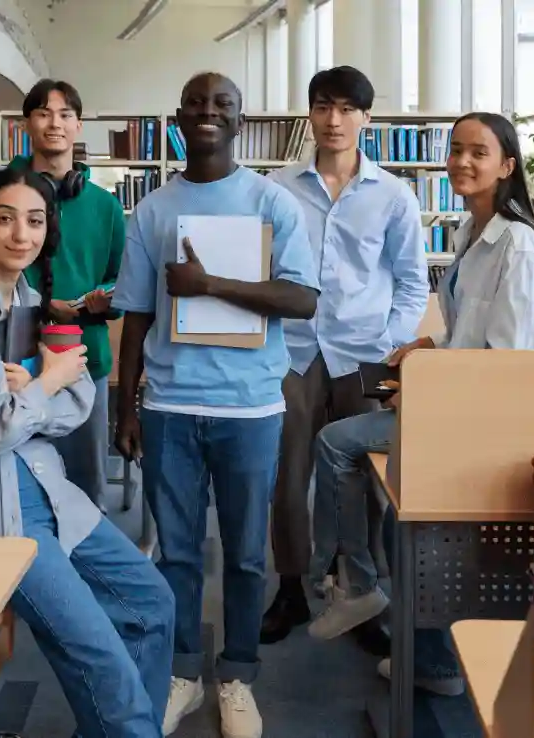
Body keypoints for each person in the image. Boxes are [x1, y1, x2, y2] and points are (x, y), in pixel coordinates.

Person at [0, 167, 174, 738]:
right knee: (99, 657)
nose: (20, 234)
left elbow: (76, 405)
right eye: (4, 218)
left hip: (45, 485)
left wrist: (29, 391)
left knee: (152, 603)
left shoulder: (28, 298)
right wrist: (43, 384)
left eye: (34, 220)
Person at [309, 111, 534, 692]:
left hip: (488, 421)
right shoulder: (474, 232)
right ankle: (432, 652)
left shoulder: (517, 245)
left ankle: (365, 587)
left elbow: (506, 361)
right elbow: (473, 329)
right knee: (403, 502)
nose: (462, 162)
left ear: (508, 165)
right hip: (460, 400)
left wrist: (428, 387)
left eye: (479, 153)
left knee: (338, 445)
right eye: (456, 150)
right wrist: (430, 344)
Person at [113, 72, 320, 738]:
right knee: (173, 552)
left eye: (222, 105)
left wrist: (211, 284)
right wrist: (126, 408)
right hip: (170, 405)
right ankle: (182, 672)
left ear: (239, 120)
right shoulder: (152, 210)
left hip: (251, 409)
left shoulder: (272, 202)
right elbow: (138, 316)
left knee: (245, 554)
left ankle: (237, 674)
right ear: (179, 117)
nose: (209, 112)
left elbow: (303, 300)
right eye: (198, 104)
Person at [260, 65, 428, 646]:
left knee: (366, 479)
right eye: (323, 107)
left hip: (366, 356)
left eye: (346, 109)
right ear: (309, 113)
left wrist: (392, 345)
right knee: (288, 479)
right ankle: (290, 588)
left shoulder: (394, 195)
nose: (334, 120)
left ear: (366, 118)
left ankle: (357, 591)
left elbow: (411, 282)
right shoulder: (276, 189)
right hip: (295, 353)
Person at [9, 78, 126, 512]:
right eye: (42, 113)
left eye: (64, 115)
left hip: (83, 361)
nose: (53, 124)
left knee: (85, 490)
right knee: (16, 488)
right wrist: (40, 303)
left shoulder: (105, 206)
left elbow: (122, 278)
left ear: (78, 126)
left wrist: (105, 299)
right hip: (15, 360)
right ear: (26, 125)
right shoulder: (6, 196)